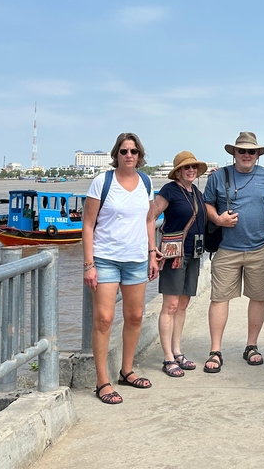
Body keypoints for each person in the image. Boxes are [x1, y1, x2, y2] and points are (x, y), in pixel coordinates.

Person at [82, 132, 160, 405]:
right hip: (105, 259)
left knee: (135, 316)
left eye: (134, 151)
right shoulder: (102, 182)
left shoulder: (146, 182)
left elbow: (150, 219)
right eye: (124, 151)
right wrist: (89, 264)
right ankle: (102, 380)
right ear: (116, 154)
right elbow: (88, 225)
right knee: (103, 319)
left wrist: (152, 253)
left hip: (136, 259)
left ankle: (127, 370)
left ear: (140, 156)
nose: (129, 156)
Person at [203, 131, 264, 372]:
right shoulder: (218, 177)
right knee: (219, 298)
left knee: (258, 297)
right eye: (242, 151)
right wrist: (218, 220)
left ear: (258, 154)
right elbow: (207, 204)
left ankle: (252, 345)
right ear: (234, 153)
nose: (247, 155)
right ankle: (215, 350)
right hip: (226, 249)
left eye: (252, 151)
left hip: (259, 248)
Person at [151, 151, 208, 378]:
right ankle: (167, 357)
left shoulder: (196, 192)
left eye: (193, 167)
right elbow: (151, 216)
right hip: (173, 254)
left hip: (193, 253)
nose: (191, 170)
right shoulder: (169, 190)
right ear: (178, 171)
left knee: (183, 304)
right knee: (171, 305)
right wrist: (150, 248)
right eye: (186, 168)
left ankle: (177, 351)